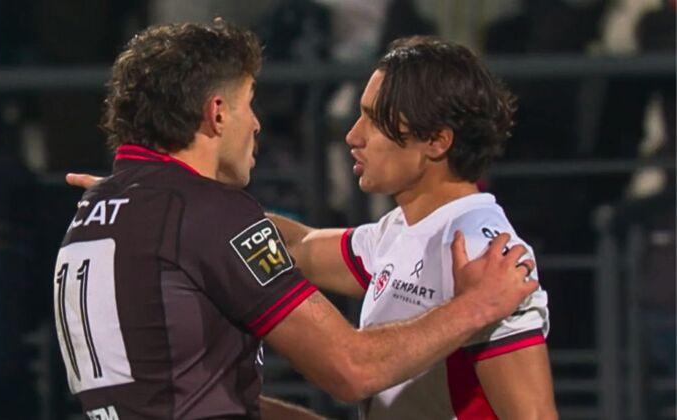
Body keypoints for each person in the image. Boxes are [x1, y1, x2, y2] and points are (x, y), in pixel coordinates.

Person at [58, 20, 537, 419]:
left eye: (372, 118)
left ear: (438, 141)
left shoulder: (97, 219)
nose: (258, 123)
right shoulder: (201, 215)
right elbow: (352, 368)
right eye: (250, 104)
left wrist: (158, 199)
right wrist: (478, 304)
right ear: (218, 113)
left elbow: (295, 246)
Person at [266, 36, 557, 419]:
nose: (354, 136)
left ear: (436, 141)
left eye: (374, 121)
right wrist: (203, 209)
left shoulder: (483, 253)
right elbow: (298, 245)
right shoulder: (400, 229)